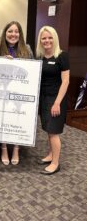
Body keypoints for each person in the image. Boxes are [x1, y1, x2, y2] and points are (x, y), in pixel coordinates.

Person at [0, 21, 33, 165]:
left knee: (18, 119)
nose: (13, 34)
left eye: (16, 31)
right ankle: (4, 147)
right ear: (5, 34)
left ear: (20, 34)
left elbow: (32, 71)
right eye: (10, 31)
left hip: (20, 92)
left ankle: (16, 148)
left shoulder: (27, 49)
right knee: (4, 119)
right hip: (4, 91)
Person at [36, 26, 69, 175]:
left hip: (56, 99)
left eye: (50, 37)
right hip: (43, 98)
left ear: (54, 38)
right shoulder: (40, 57)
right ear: (40, 40)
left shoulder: (62, 56)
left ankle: (56, 163)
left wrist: (57, 103)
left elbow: (66, 81)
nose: (47, 41)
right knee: (48, 129)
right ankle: (51, 155)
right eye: (44, 38)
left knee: (54, 131)